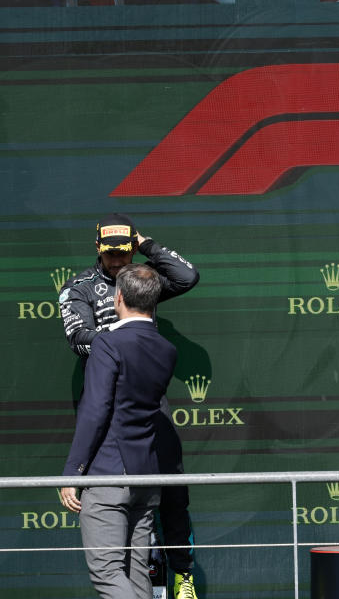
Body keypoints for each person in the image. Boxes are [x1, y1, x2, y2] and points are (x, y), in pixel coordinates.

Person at [58, 213, 200, 599]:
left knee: (171, 485)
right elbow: (78, 338)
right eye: (111, 255)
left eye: (125, 253)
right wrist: (124, 338)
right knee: (120, 548)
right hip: (110, 395)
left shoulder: (141, 280)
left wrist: (146, 245)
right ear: (98, 250)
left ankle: (182, 572)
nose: (119, 262)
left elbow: (187, 276)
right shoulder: (81, 287)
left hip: (147, 402)